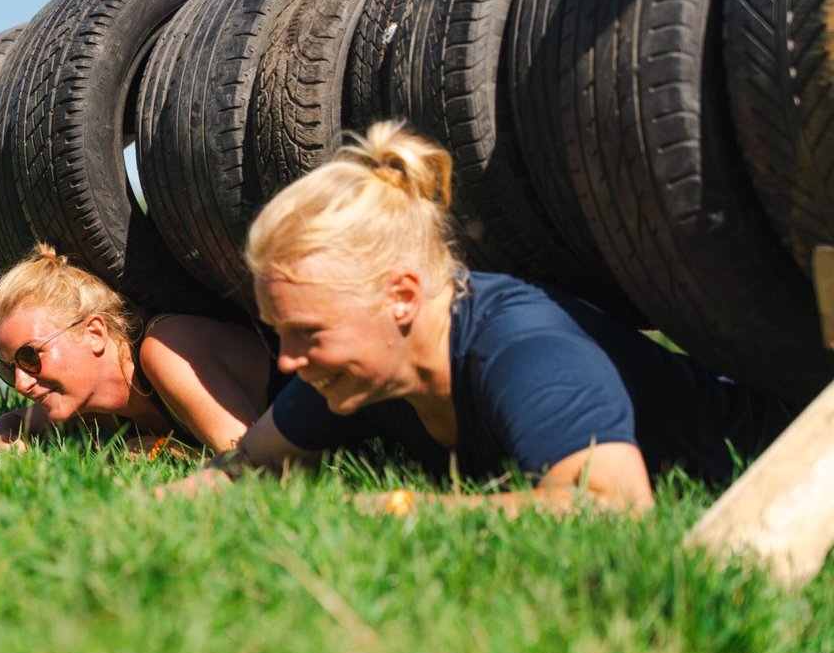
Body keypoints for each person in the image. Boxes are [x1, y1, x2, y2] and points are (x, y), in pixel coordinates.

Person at [162, 121, 791, 512]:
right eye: (281, 333)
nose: (289, 360)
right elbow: (244, 469)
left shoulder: (525, 348)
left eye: (308, 333)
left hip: (777, 466)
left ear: (403, 297)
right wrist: (156, 504)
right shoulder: (356, 368)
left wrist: (398, 506)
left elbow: (611, 505)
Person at [0, 244, 283, 457]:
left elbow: (255, 465)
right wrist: (1, 438)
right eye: (10, 369)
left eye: (29, 357)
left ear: (94, 333)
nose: (22, 383)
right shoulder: (89, 404)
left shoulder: (165, 351)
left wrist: (163, 450)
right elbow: (15, 421)